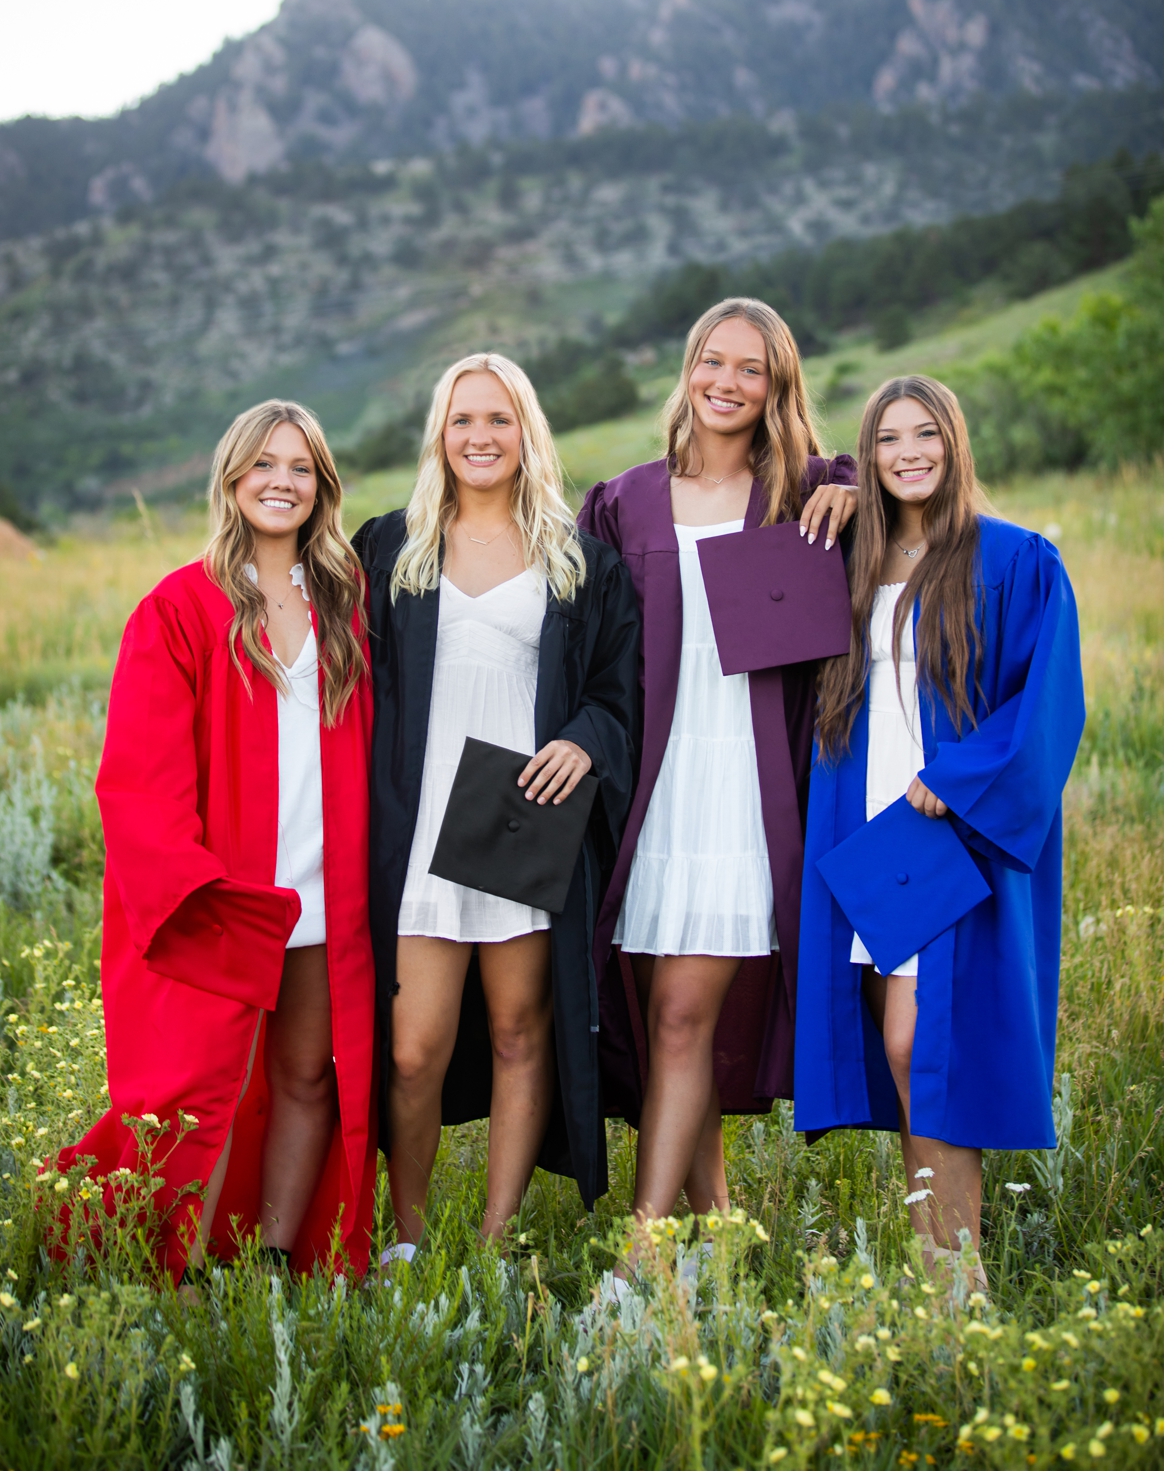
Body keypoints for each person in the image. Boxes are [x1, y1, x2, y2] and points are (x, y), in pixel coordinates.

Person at [60, 401, 380, 1279]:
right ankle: (174, 1269)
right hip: (224, 893)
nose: (282, 482)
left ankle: (273, 1260)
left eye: (301, 468)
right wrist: (191, 888)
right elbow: (137, 775)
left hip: (326, 886)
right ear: (233, 482)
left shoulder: (347, 600)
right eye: (264, 466)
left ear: (321, 488)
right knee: (198, 1095)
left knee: (313, 1076)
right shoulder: (179, 607)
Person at [576, 298, 856, 1243]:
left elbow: (900, 488)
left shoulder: (800, 494)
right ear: (688, 369)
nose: (727, 383)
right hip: (651, 793)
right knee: (663, 1020)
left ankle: (645, 1248)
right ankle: (718, 1225)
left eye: (752, 370)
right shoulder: (625, 501)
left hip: (742, 784)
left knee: (686, 1017)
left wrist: (853, 483)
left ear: (777, 389)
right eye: (713, 361)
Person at [797, 375, 1082, 1293]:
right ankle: (943, 1274)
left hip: (942, 836)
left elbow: (1047, 705)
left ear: (954, 444)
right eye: (887, 439)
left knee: (922, 1048)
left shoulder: (1014, 560)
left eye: (926, 435)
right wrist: (829, 487)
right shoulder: (848, 562)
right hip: (865, 838)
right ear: (869, 455)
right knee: (903, 1052)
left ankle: (959, 1281)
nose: (908, 453)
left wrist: (954, 783)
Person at [353, 355, 639, 1260]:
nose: (481, 437)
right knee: (411, 1051)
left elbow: (617, 690)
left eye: (500, 419)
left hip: (522, 823)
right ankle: (403, 1239)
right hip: (422, 822)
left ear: (528, 434)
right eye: (463, 419)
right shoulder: (391, 549)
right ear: (440, 432)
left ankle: (493, 1238)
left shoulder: (579, 562)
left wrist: (585, 740)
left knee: (522, 1032)